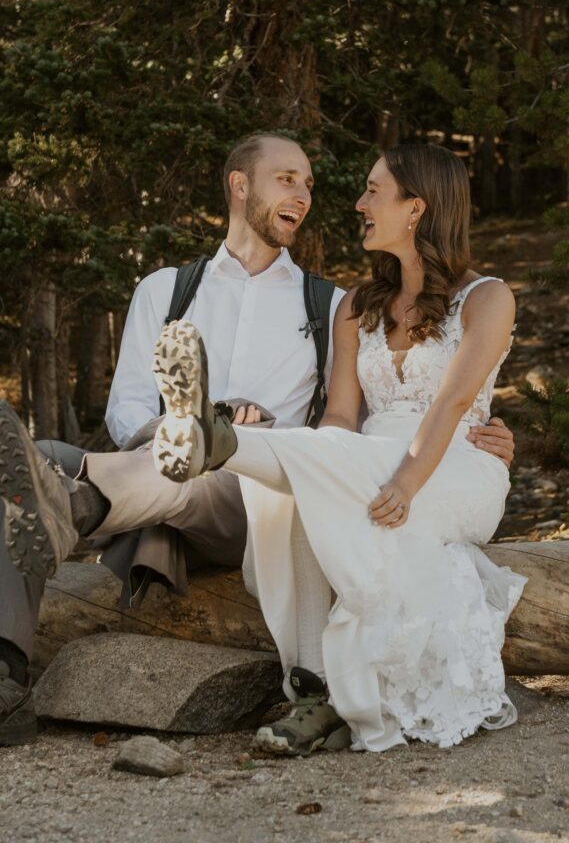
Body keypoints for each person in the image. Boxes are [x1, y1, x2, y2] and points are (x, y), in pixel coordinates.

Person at [0, 135, 514, 752]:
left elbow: (410, 411)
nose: (309, 196)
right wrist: (171, 430)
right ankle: (4, 675)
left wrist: (488, 438)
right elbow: (127, 407)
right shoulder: (166, 290)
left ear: (416, 208)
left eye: (311, 184)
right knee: (40, 457)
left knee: (234, 468)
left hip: (253, 494)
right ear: (240, 186)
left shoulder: (329, 303)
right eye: (289, 179)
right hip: (159, 473)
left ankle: (120, 485)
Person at [151, 143, 526, 755]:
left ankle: (218, 442)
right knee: (296, 492)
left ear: (416, 209)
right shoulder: (357, 307)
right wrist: (325, 467)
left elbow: (453, 404)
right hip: (363, 458)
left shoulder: (487, 298)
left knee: (322, 474)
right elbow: (344, 415)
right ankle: (313, 691)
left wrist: (404, 483)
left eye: (374, 191)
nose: (358, 203)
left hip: (453, 467)